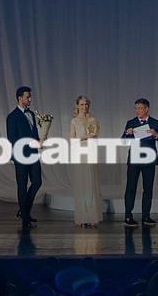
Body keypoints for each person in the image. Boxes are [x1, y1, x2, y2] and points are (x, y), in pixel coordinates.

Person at [122, 98, 158, 227]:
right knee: (130, 188)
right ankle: (128, 216)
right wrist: (127, 133)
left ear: (146, 109)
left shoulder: (155, 123)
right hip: (134, 160)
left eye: (140, 108)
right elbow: (123, 140)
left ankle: (146, 216)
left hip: (149, 160)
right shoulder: (131, 122)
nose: (137, 110)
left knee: (148, 189)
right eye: (136, 108)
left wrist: (155, 134)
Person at [6, 86, 42, 228]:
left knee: (37, 182)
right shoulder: (12, 116)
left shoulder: (31, 114)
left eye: (30, 97)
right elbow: (12, 139)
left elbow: (34, 132)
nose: (30, 99)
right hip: (20, 156)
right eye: (28, 97)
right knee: (22, 186)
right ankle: (25, 218)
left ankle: (24, 211)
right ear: (20, 98)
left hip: (33, 154)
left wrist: (38, 142)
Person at [68, 95, 103, 228]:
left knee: (91, 185)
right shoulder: (74, 121)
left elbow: (95, 137)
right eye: (82, 104)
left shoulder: (92, 120)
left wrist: (92, 138)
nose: (84, 107)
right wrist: (84, 137)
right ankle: (82, 217)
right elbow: (71, 140)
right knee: (81, 185)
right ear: (77, 106)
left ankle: (92, 216)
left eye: (86, 104)